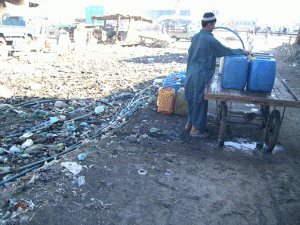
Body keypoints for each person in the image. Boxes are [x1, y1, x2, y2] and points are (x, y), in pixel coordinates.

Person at [184, 12, 248, 137]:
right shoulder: (210, 39)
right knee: (200, 100)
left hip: (191, 72)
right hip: (201, 74)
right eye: (213, 24)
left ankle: (189, 124)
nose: (214, 26)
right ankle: (195, 130)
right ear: (210, 24)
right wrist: (242, 51)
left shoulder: (196, 37)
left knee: (191, 98)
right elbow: (226, 51)